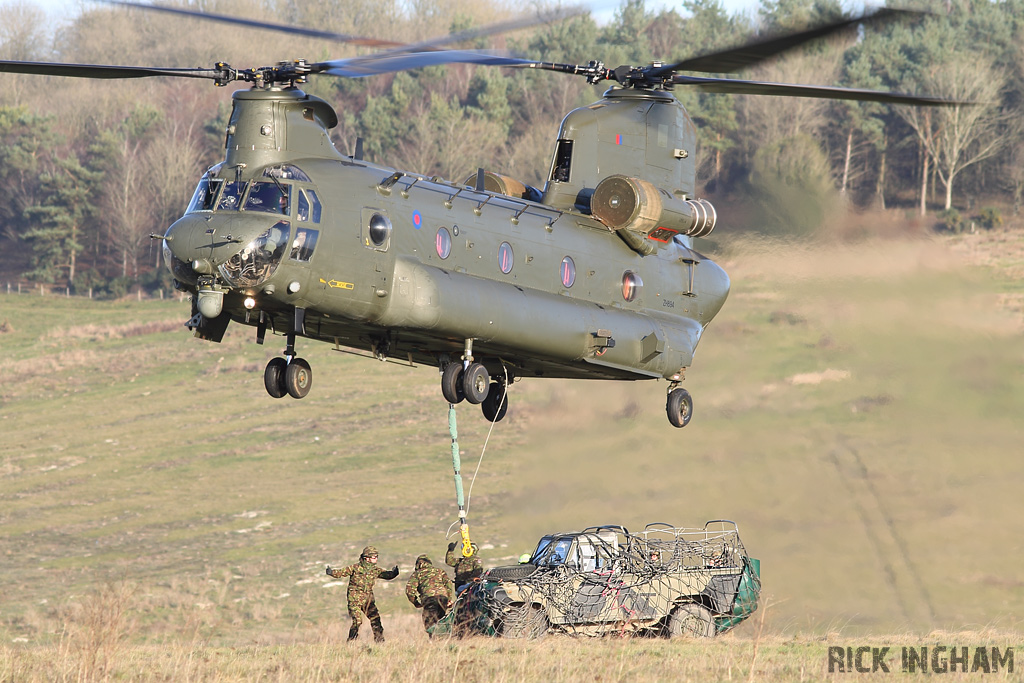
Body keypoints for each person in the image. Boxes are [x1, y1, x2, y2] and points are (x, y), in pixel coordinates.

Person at [327, 546, 399, 642]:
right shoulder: (355, 568)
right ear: (367, 558)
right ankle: (351, 641)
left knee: (375, 619)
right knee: (357, 621)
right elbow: (341, 573)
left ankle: (380, 641)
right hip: (354, 600)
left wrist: (394, 573)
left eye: (377, 556)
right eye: (374, 557)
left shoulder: (375, 570)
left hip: (368, 600)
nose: (376, 558)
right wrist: (331, 572)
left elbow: (387, 575)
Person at [405, 554, 455, 635]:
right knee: (441, 620)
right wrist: (449, 599)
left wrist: (416, 603)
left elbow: (409, 590)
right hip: (443, 599)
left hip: (429, 599)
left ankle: (434, 641)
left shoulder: (417, 574)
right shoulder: (439, 571)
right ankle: (443, 639)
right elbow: (448, 584)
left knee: (430, 622)